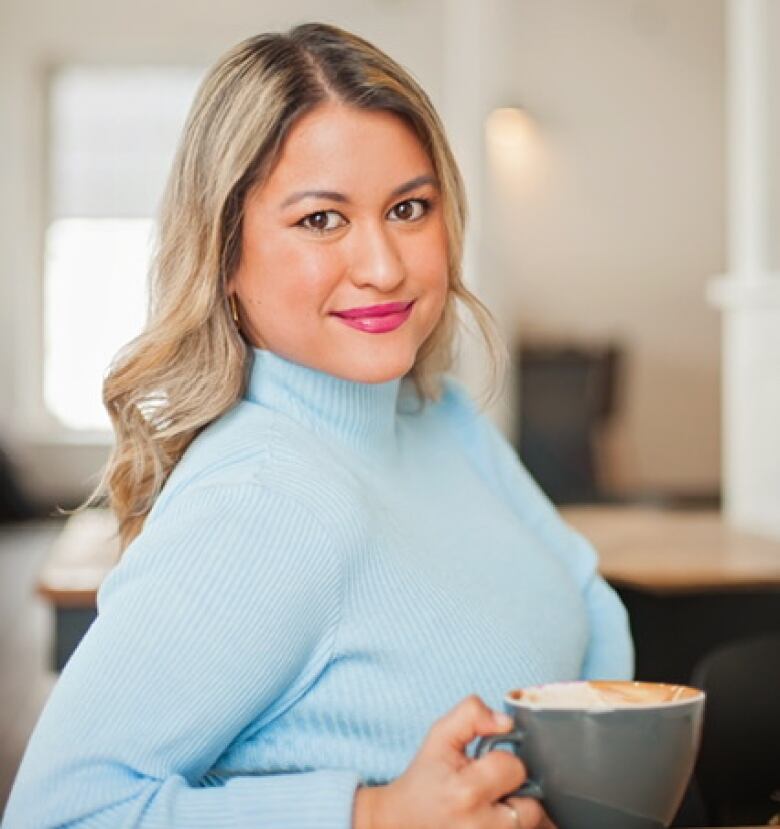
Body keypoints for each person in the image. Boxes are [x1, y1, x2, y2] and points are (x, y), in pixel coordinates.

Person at [2, 22, 633, 829]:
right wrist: (372, 815)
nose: (383, 265)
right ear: (225, 251)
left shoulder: (433, 415)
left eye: (409, 208)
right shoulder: (257, 500)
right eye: (321, 220)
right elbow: (59, 814)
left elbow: (586, 599)